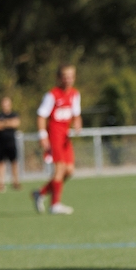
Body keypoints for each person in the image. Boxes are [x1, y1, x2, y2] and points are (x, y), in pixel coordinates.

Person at [33, 64, 82, 215]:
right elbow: (41, 116)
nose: (68, 80)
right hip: (54, 136)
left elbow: (76, 115)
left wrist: (77, 124)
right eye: (65, 77)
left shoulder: (75, 94)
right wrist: (42, 136)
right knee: (59, 169)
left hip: (66, 138)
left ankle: (41, 193)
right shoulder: (52, 95)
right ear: (59, 78)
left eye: (71, 76)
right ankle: (55, 205)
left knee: (69, 171)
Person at [0, 96, 22, 192]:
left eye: (7, 104)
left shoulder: (14, 114)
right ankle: (0, 184)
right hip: (0, 143)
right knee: (0, 163)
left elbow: (16, 123)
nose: (5, 106)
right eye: (4, 104)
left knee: (14, 162)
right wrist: (8, 123)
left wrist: (2, 123)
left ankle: (15, 182)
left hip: (11, 143)